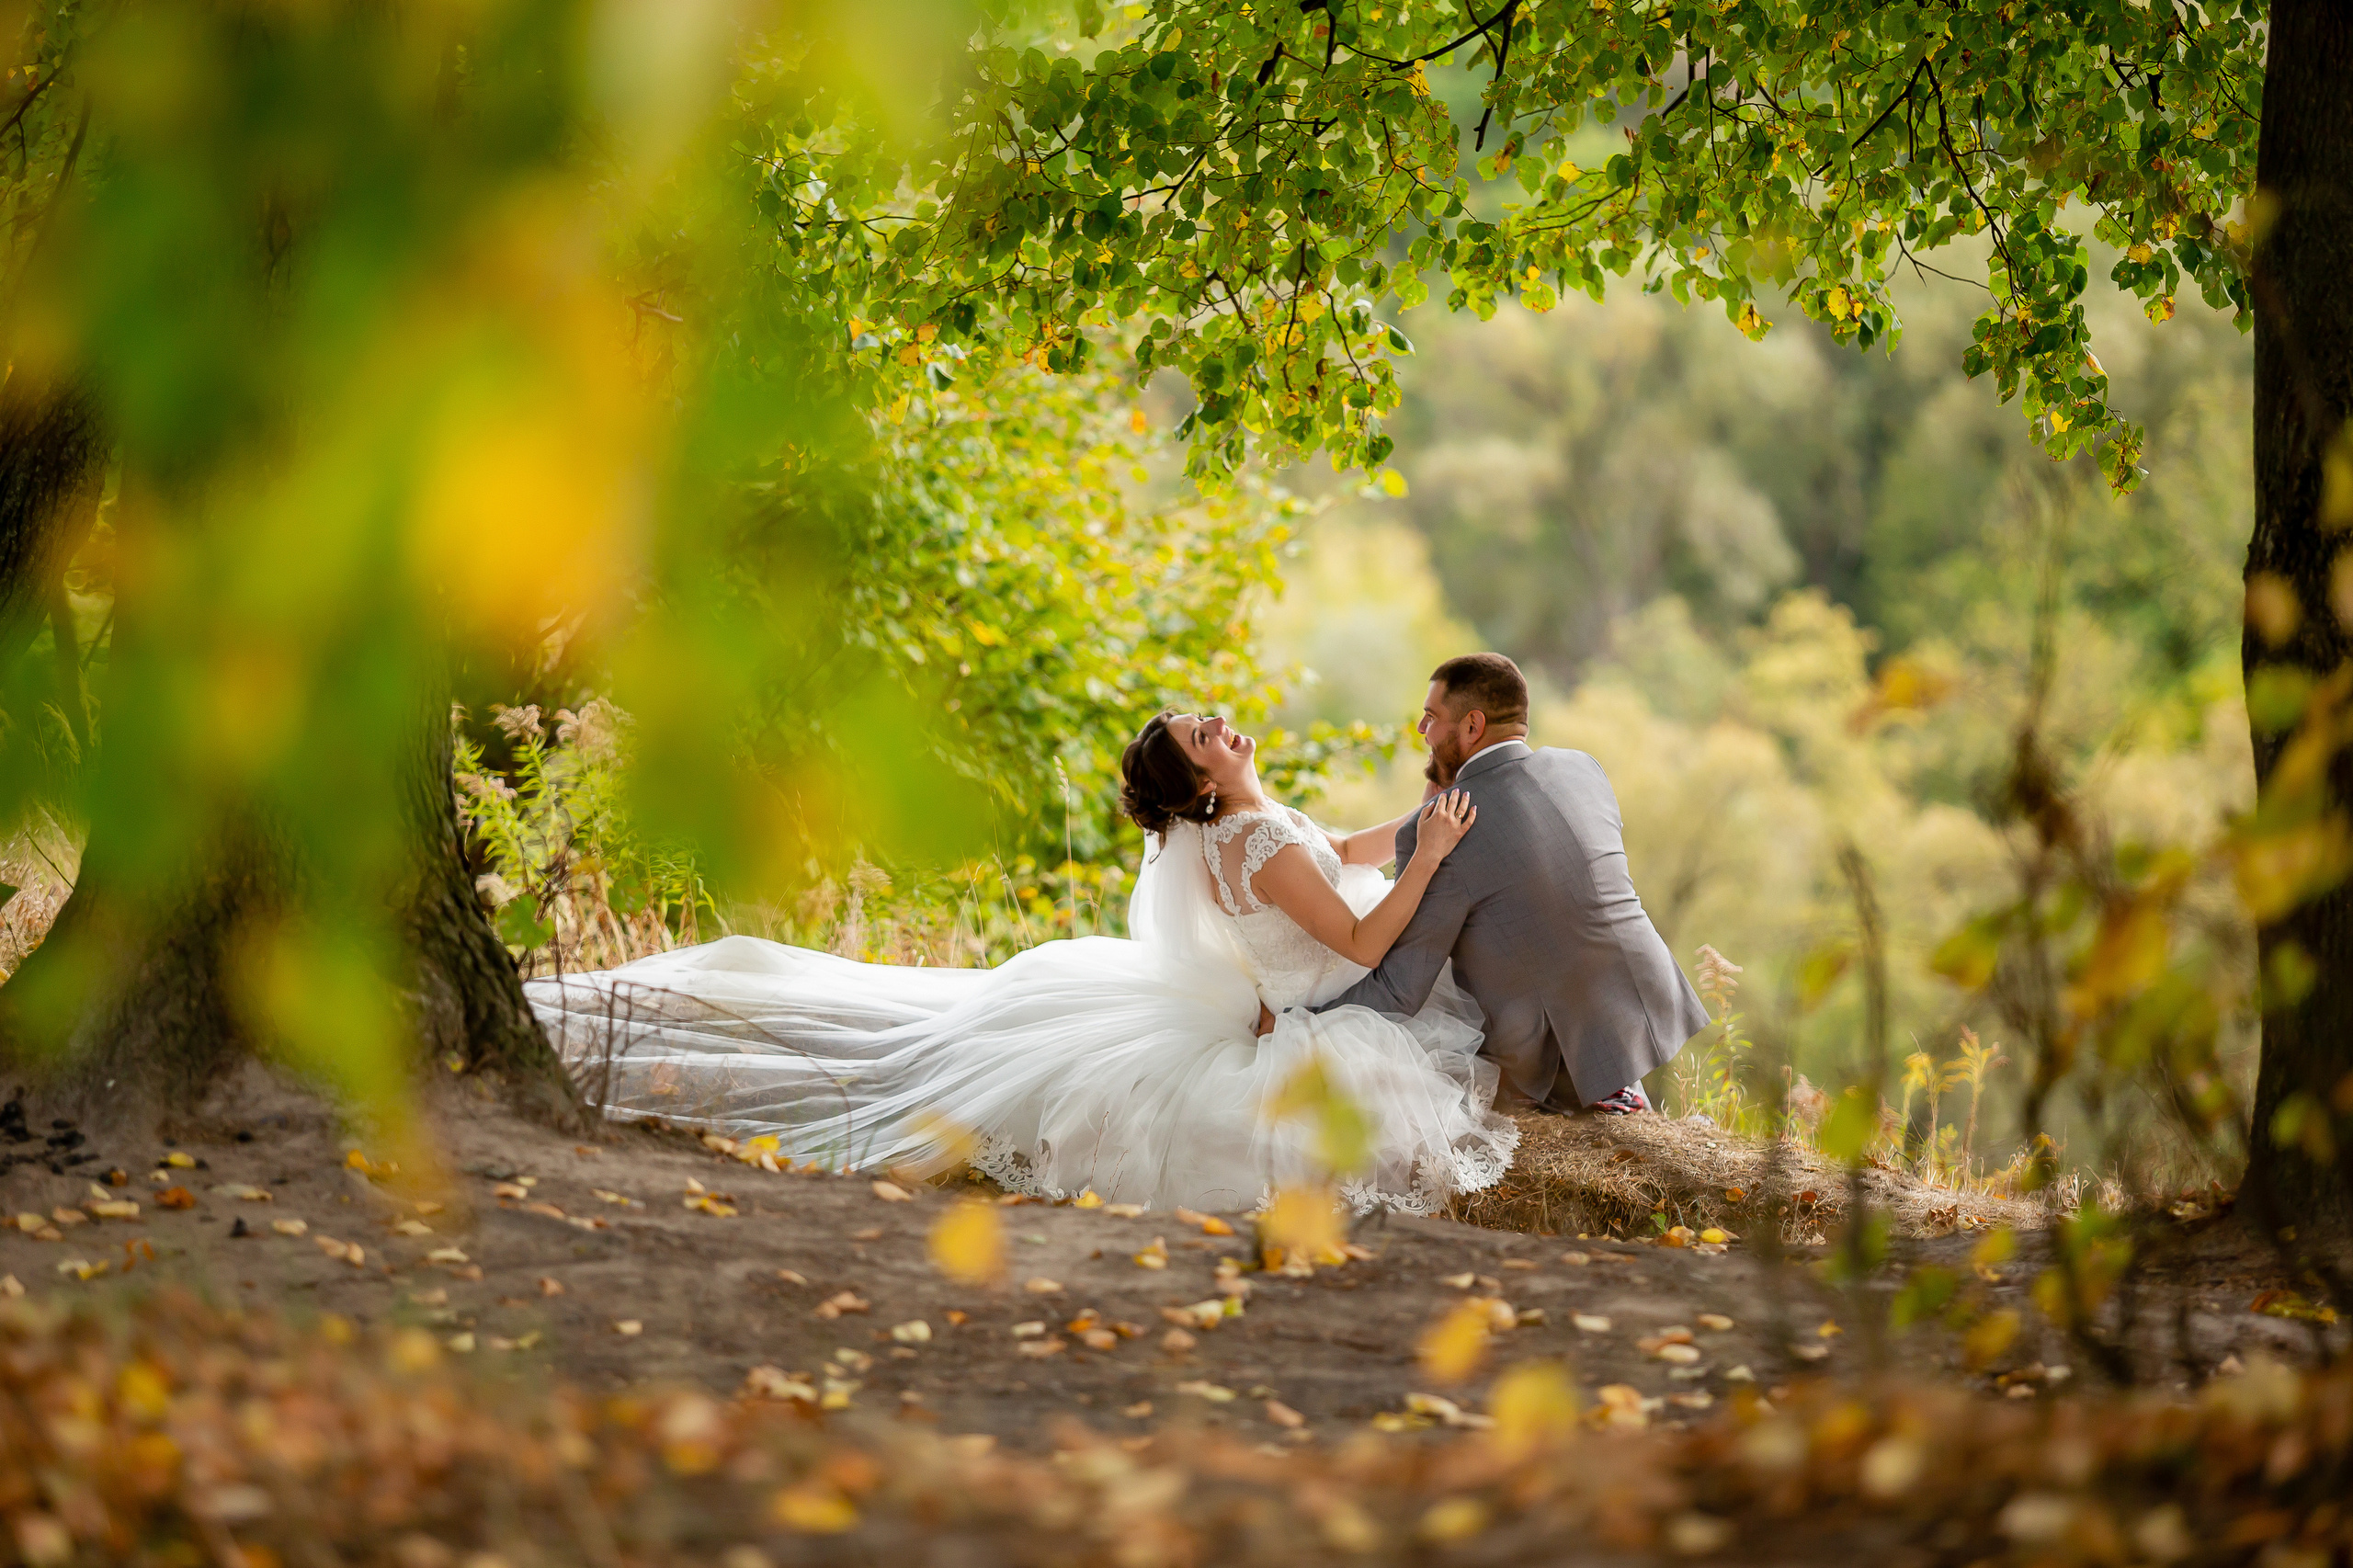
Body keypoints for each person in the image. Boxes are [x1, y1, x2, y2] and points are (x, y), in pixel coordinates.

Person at [524, 710, 1518, 1214]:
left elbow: (1337, 849)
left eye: (1205, 718)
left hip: (1288, 991)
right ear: (1205, 778)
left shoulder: (1249, 828)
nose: (1220, 722)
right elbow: (1354, 939)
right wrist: (1429, 857)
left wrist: (1437, 811)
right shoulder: (1253, 841)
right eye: (1201, 733)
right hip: (1315, 1008)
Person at [1298, 653, 1709, 1115]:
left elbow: (1400, 990)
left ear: (1473, 726)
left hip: (1548, 1057)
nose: (1420, 730)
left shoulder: (1441, 827)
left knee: (1420, 1052)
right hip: (1640, 1007)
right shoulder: (1582, 768)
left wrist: (1300, 1026)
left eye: (1431, 717)